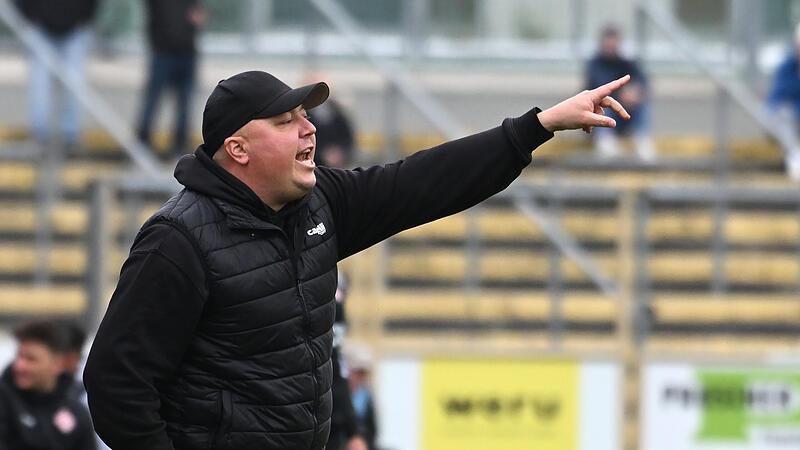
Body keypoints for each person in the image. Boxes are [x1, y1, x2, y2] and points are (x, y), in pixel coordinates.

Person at [83, 70, 631, 450]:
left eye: (305, 115)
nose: (310, 129)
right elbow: (115, 381)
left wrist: (537, 126)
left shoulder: (320, 200)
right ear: (238, 149)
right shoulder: (177, 240)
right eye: (286, 121)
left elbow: (425, 182)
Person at [13, 0, 99, 150]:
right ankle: (41, 135)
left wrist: (88, 16)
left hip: (75, 26)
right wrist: (26, 15)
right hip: (40, 25)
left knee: (74, 84)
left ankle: (69, 135)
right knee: (40, 83)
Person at [0, 320, 96, 450]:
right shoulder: (4, 401)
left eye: (31, 359)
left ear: (58, 364)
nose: (19, 366)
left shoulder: (77, 413)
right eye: (19, 356)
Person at [136, 0, 207, 159]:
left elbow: (199, 11)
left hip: (187, 51)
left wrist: (198, 16)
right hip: (163, 51)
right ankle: (142, 141)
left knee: (185, 102)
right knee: (153, 99)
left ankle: (179, 144)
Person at [586, 24, 655, 160]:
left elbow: (642, 82)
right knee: (604, 103)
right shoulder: (595, 64)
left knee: (643, 103)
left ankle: (642, 139)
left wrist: (635, 93)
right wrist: (621, 95)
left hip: (623, 116)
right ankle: (605, 141)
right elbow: (599, 88)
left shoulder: (626, 63)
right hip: (601, 119)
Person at [766, 23, 800, 181]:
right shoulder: (787, 68)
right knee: (782, 113)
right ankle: (795, 157)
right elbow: (777, 100)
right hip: (790, 118)